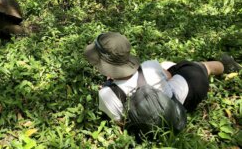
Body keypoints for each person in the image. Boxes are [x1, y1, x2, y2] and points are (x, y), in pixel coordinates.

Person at [84, 32, 241, 125]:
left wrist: (109, 84)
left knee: (168, 65)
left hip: (151, 123)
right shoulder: (149, 67)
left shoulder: (105, 95)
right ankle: (226, 65)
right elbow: (169, 76)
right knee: (198, 67)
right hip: (185, 100)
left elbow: (120, 121)